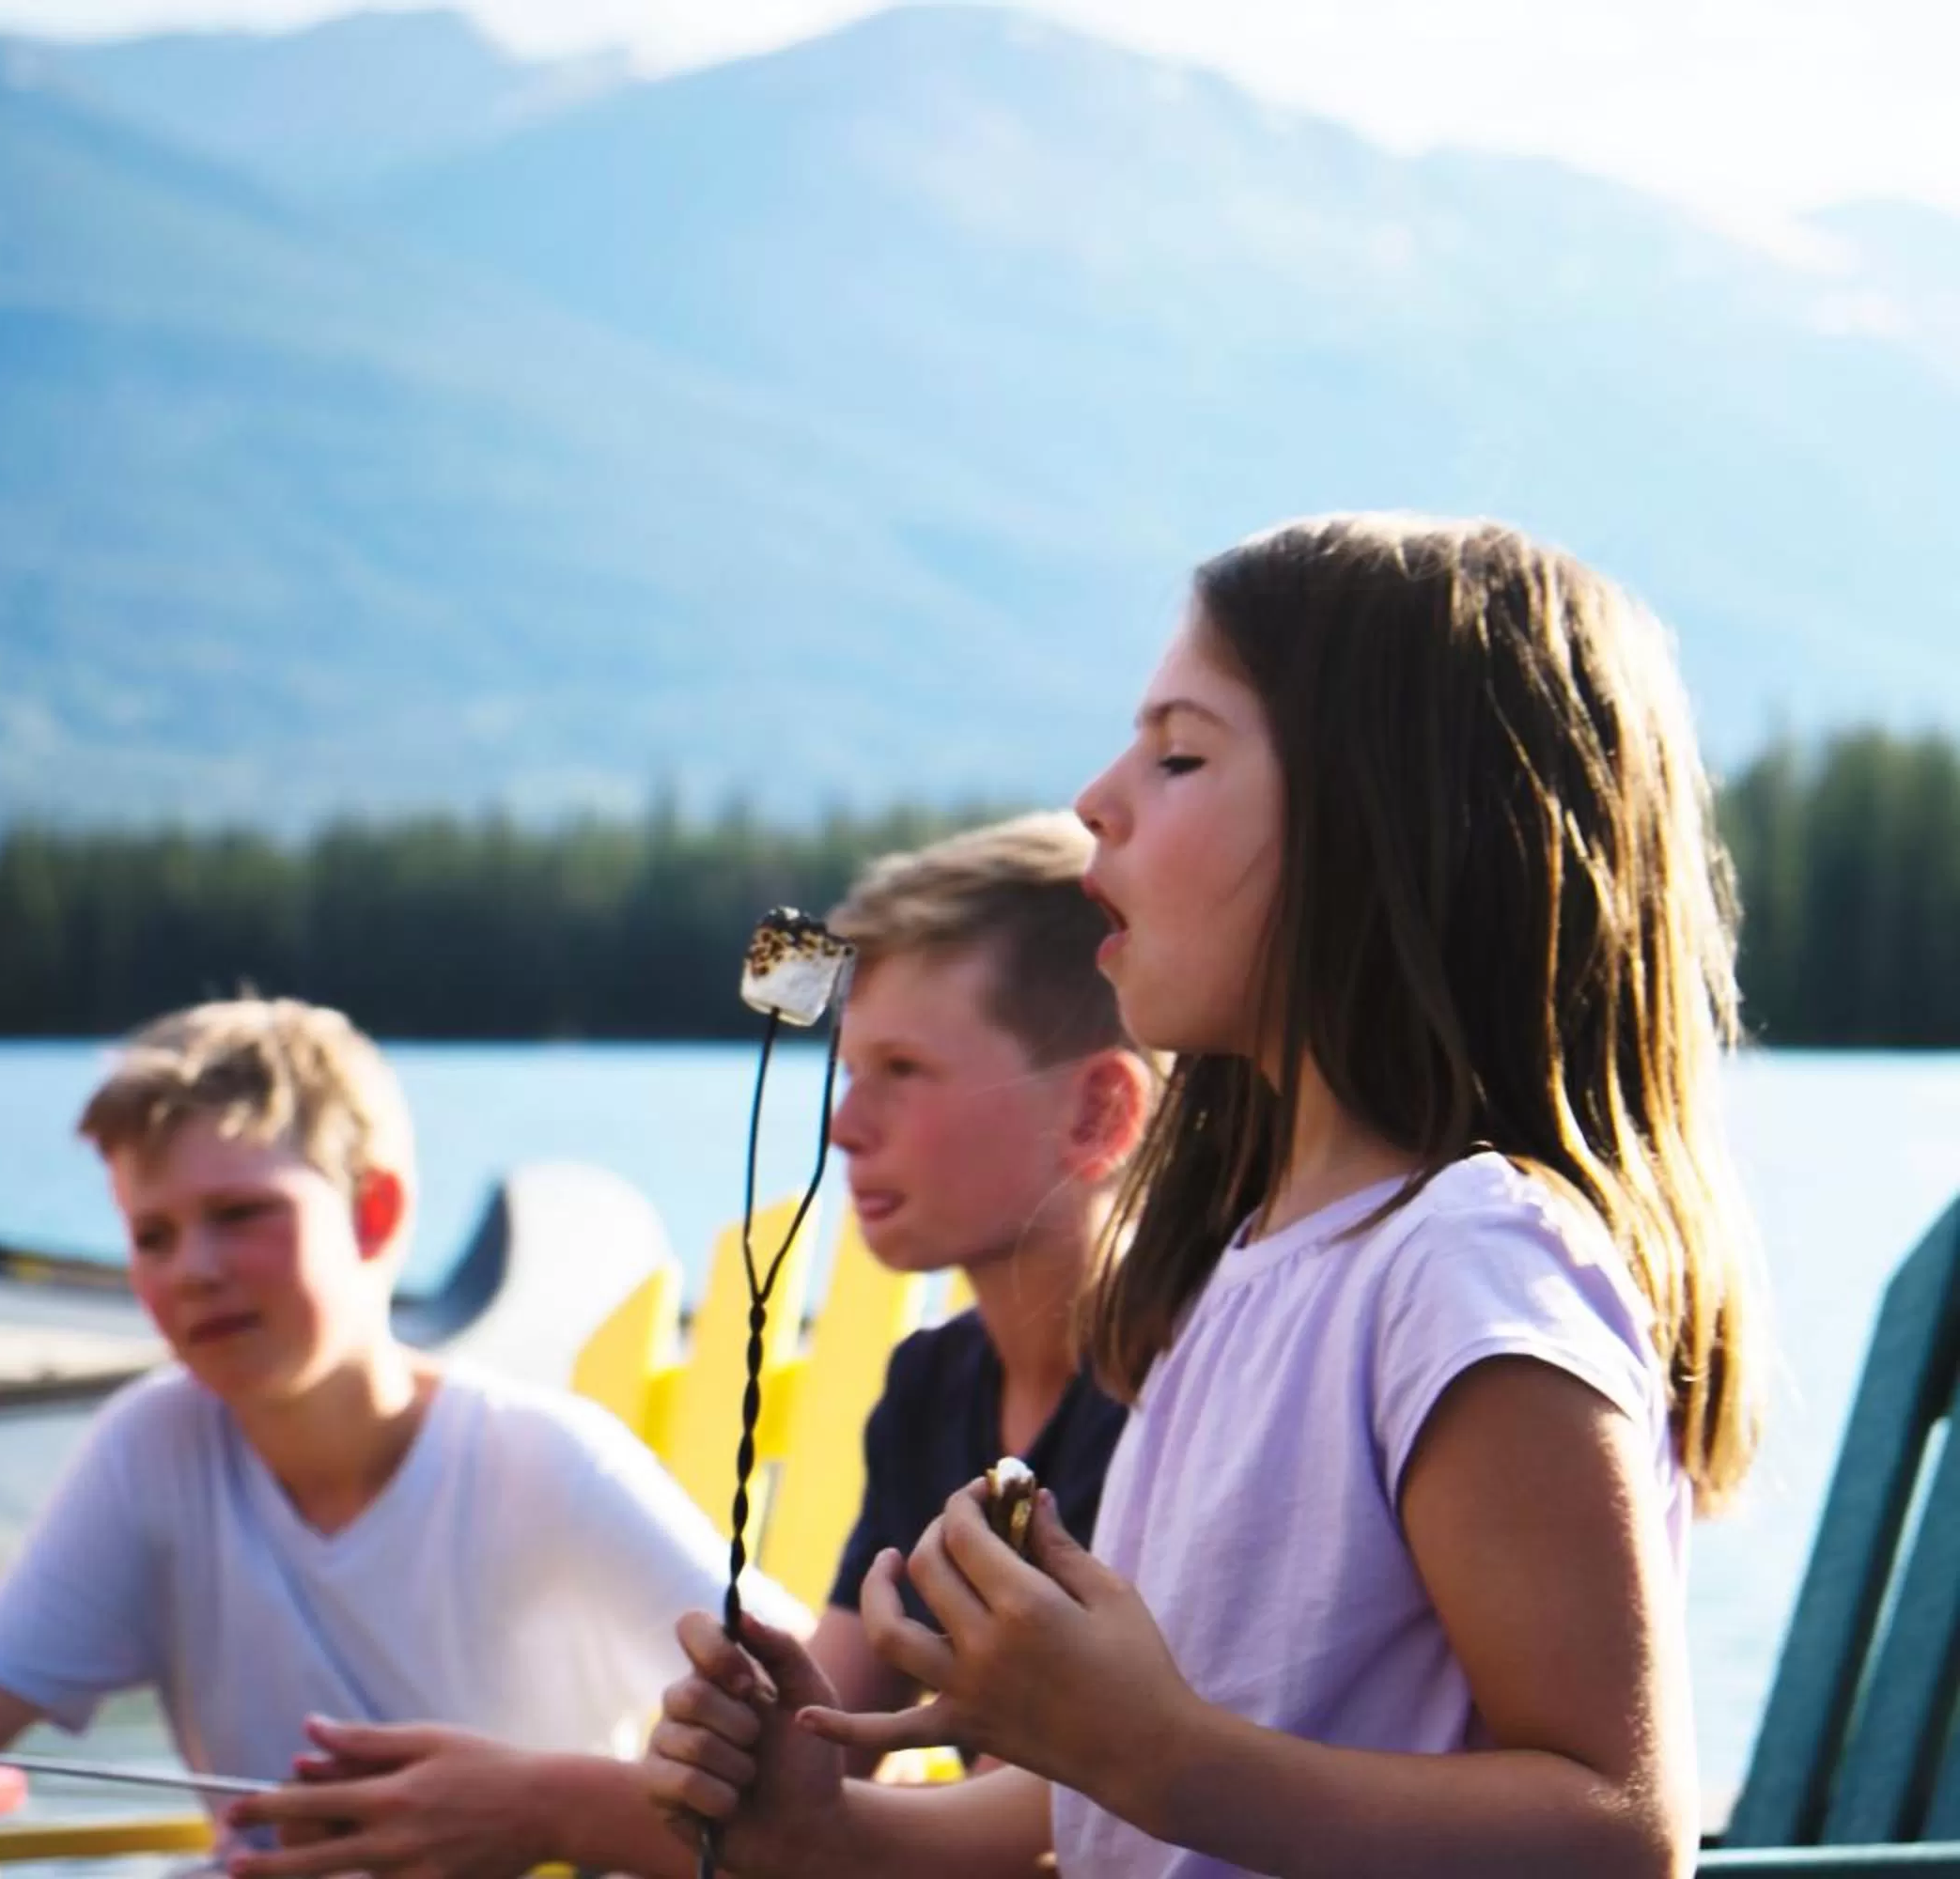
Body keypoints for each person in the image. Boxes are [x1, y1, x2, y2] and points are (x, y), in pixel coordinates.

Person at [644, 514, 1760, 1876]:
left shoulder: (1467, 1263)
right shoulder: (1245, 1270)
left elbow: (1618, 1829)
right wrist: (830, 1822)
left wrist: (1157, 1751)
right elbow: (1128, 1797)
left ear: (1383, 827)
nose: (1096, 801)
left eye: (1180, 754)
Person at [0, 996, 804, 1879]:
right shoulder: (155, 1450)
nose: (197, 1272)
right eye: (155, 1234)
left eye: (243, 1215)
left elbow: (814, 1720)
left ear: (375, 1213)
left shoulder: (538, 1460)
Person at [806, 812, 1152, 1767]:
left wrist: (554, 1803)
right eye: (850, 1071)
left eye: (903, 1070)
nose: (845, 1126)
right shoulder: (932, 1386)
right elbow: (822, 1737)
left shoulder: (1173, 1393)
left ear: (1097, 1111)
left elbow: (1051, 1819)